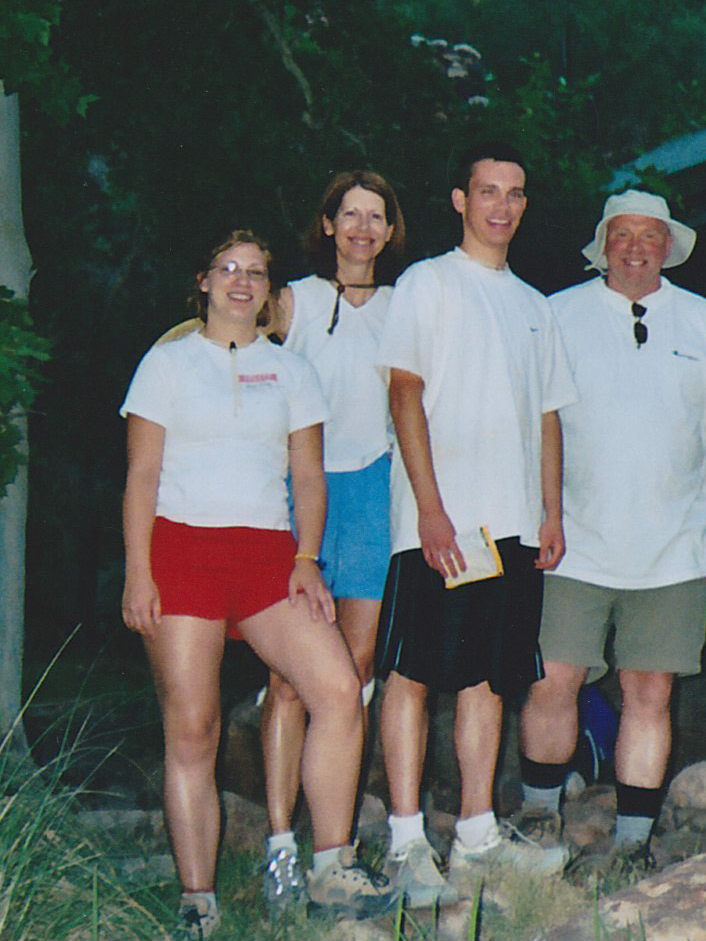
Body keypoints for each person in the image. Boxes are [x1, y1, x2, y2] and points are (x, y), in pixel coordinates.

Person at [121, 231, 396, 939]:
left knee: (338, 690)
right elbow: (142, 477)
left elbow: (307, 477)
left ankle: (331, 865)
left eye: (255, 273)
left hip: (269, 555)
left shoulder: (292, 372)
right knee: (194, 726)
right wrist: (139, 570)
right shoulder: (166, 364)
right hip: (183, 549)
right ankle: (198, 898)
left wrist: (307, 558)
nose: (242, 283)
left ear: (270, 291)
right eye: (228, 270)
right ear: (205, 282)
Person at [375, 144, 576, 902]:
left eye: (515, 194)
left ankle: (477, 836)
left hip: (512, 526)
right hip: (444, 522)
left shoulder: (533, 304)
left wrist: (551, 511)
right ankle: (403, 841)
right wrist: (430, 509)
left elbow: (549, 416)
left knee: (489, 678)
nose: (502, 206)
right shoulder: (426, 283)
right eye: (487, 192)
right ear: (460, 199)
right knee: (415, 673)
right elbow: (404, 393)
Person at [515, 190, 706, 869]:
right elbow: (530, 427)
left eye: (650, 235)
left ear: (668, 246)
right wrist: (537, 519)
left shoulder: (704, 322)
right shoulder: (555, 315)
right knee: (553, 680)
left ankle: (635, 844)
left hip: (675, 549)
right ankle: (538, 821)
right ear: (602, 244)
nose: (637, 246)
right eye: (623, 234)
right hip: (571, 541)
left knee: (650, 692)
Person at [254, 171, 413, 910]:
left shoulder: (405, 307)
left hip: (373, 496)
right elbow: (213, 339)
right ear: (327, 225)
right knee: (291, 678)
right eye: (348, 214)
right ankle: (279, 845)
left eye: (374, 217)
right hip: (300, 497)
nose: (360, 228)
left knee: (352, 675)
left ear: (389, 231)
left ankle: (335, 848)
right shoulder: (295, 300)